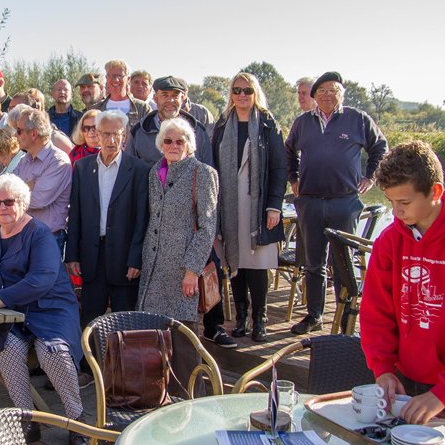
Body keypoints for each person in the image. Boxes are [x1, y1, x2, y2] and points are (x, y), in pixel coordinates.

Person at [0, 174, 84, 444]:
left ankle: (78, 422)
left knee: (52, 352)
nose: (2, 207)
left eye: (9, 201)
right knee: (9, 353)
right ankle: (27, 421)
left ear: (23, 203)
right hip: (12, 315)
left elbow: (41, 279)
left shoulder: (39, 234)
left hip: (50, 309)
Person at [286, 71, 388, 334]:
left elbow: (380, 146)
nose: (328, 95)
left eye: (334, 90)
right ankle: (314, 315)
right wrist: (294, 179)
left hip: (345, 202)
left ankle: (346, 319)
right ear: (315, 96)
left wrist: (370, 177)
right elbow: (288, 152)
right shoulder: (303, 123)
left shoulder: (357, 119)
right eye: (322, 91)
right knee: (313, 263)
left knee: (343, 264)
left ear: (342, 94)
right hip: (310, 202)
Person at [361, 141, 445, 426]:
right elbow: (376, 313)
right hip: (404, 382)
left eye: (404, 203)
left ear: (435, 192)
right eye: (391, 202)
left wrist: (441, 394)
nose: (396, 212)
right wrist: (383, 369)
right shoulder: (388, 242)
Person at [136, 118, 218, 395]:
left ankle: (193, 399)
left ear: (189, 145)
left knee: (184, 343)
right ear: (161, 144)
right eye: (168, 140)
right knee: (154, 338)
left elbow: (207, 228)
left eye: (179, 141)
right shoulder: (154, 172)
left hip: (182, 271)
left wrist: (192, 270)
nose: (173, 145)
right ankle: (158, 397)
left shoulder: (202, 173)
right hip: (154, 267)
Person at [211, 73, 287, 343]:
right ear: (231, 94)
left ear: (255, 93)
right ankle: (241, 316)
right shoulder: (222, 124)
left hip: (258, 204)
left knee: (257, 264)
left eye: (247, 90)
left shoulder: (267, 123)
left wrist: (274, 206)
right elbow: (213, 165)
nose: (242, 95)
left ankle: (260, 318)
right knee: (236, 261)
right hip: (229, 204)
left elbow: (279, 168)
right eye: (237, 90)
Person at [66, 110, 150, 329]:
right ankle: (89, 353)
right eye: (106, 134)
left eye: (117, 134)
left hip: (124, 260)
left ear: (124, 135)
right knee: (90, 321)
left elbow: (142, 220)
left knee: (125, 323)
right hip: (92, 257)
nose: (111, 140)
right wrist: (72, 255)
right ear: (97, 134)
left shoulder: (139, 170)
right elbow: (75, 215)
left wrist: (136, 259)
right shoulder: (82, 168)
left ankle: (121, 355)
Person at [13, 108, 72, 254]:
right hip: (23, 235)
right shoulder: (24, 160)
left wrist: (18, 191)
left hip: (48, 238)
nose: (15, 135)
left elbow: (38, 200)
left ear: (33, 133)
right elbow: (7, 191)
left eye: (19, 131)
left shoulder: (58, 161)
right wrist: (28, 186)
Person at [126, 75, 213, 167]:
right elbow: (129, 168)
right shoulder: (139, 132)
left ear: (182, 98)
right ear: (155, 98)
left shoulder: (198, 131)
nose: (170, 100)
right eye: (165, 95)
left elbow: (208, 168)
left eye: (175, 95)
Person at [91, 59, 151, 128]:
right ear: (107, 78)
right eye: (112, 76)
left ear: (128, 79)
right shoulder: (96, 109)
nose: (116, 80)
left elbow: (150, 133)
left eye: (120, 76)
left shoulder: (142, 109)